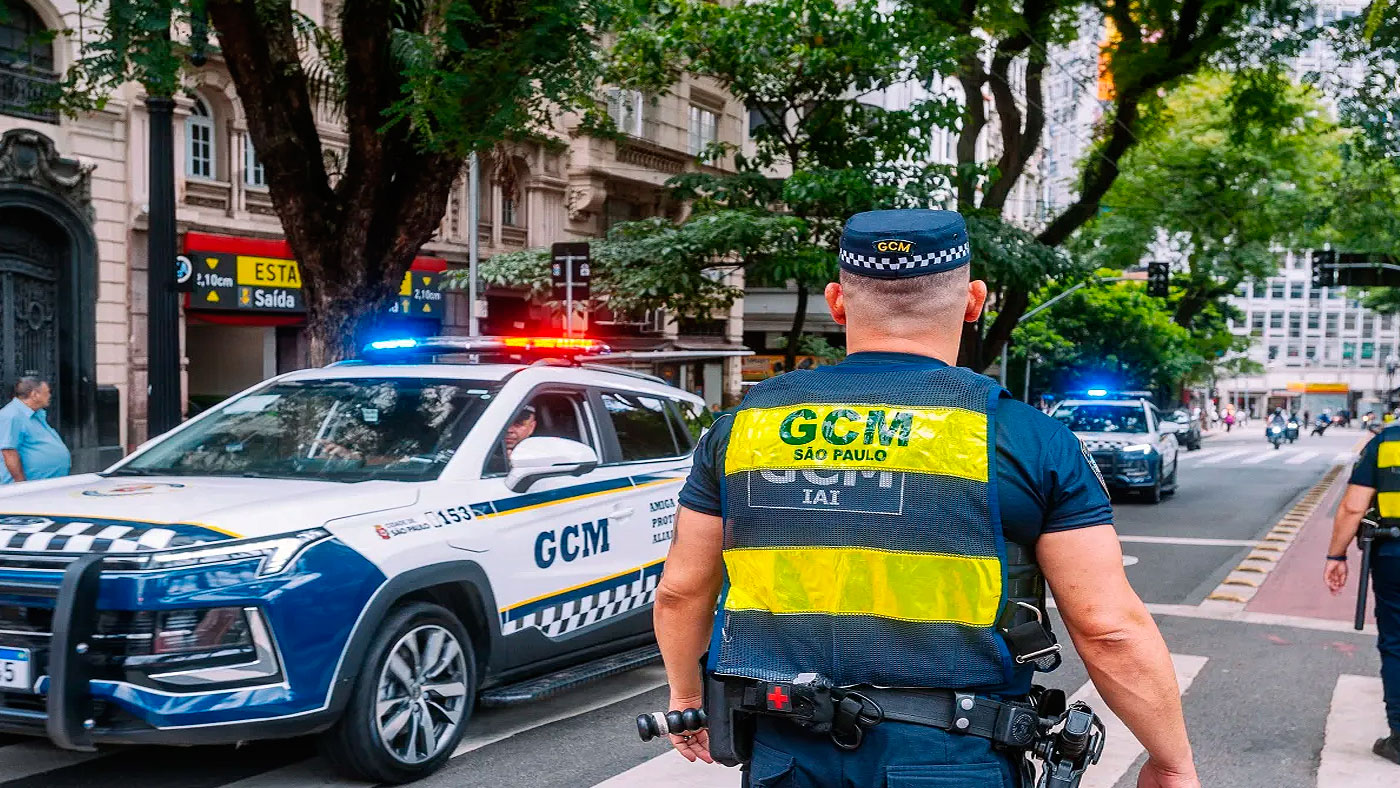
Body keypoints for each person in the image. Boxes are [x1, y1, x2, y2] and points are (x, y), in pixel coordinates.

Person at [653, 209, 1199, 788]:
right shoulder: (1027, 439)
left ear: (837, 302)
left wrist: (687, 699)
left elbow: (681, 591)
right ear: (975, 301)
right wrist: (1170, 762)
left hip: (787, 757)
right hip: (953, 758)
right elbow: (1107, 629)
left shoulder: (741, 429)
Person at [1325, 425, 1400, 766]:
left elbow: (1354, 507)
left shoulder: (1387, 442)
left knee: (1396, 642)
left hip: (1394, 555)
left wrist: (1336, 555)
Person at [0, 376, 70, 484]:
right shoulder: (11, 415)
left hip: (45, 483)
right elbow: (9, 452)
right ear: (34, 394)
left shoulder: (36, 414)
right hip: (29, 488)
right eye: (47, 392)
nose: (50, 396)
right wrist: (21, 484)